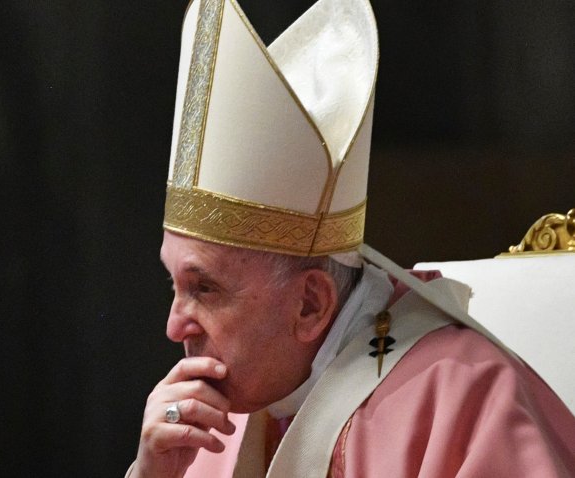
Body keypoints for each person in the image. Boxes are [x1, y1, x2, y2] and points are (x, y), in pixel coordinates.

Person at [126, 0, 575, 476]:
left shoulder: (463, 398)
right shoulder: (217, 421)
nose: (174, 327)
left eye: (205, 288)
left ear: (311, 305)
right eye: (173, 283)